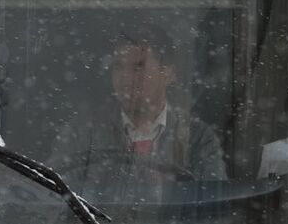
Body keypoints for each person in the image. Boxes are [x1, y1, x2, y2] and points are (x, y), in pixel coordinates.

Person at [50, 25, 226, 183]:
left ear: (168, 73)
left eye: (138, 67)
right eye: (118, 67)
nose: (125, 77)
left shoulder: (198, 139)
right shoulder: (82, 133)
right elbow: (52, 198)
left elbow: (214, 210)